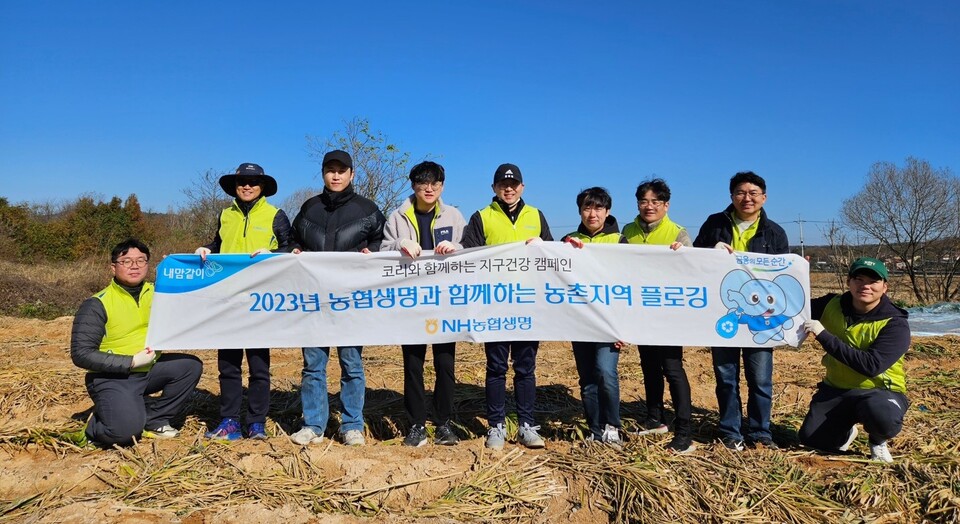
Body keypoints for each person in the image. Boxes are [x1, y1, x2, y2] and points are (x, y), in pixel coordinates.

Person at [289, 149, 386, 447]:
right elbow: (293, 239)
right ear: (323, 174)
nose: (336, 175)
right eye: (330, 170)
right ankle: (314, 424)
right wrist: (293, 250)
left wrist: (374, 253)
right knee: (313, 364)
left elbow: (382, 241)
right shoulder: (309, 208)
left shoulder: (367, 209)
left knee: (352, 364)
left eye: (341, 171)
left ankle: (352, 425)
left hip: (350, 299)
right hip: (313, 298)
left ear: (352, 174)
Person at [70, 239, 203, 446]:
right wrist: (130, 362)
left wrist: (186, 264)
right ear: (113, 267)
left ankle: (153, 419)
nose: (135, 266)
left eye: (141, 260)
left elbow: (195, 292)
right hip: (112, 377)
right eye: (126, 261)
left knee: (189, 366)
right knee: (124, 435)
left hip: (149, 370)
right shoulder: (97, 303)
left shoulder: (158, 292)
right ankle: (94, 427)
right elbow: (81, 353)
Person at [194, 163, 292, 440]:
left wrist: (272, 252)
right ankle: (229, 421)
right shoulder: (225, 214)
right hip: (227, 300)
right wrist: (206, 249)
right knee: (228, 364)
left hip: (260, 300)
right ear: (235, 187)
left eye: (253, 182)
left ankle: (256, 422)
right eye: (242, 182)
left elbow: (291, 248)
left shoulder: (276, 215)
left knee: (259, 366)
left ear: (262, 187)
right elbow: (219, 244)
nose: (247, 186)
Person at [693, 171, 788, 451]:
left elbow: (783, 275)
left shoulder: (775, 233)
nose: (747, 198)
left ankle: (760, 432)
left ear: (764, 198)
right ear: (731, 196)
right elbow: (695, 260)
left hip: (761, 318)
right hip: (724, 313)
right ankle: (730, 431)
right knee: (726, 376)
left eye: (753, 193)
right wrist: (712, 250)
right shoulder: (714, 224)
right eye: (740, 193)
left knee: (760, 379)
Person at [461, 163, 553, 450]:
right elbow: (470, 256)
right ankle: (496, 426)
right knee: (496, 367)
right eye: (503, 184)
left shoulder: (536, 216)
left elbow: (553, 258)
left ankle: (527, 424)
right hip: (494, 305)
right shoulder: (481, 217)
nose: (509, 189)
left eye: (513, 185)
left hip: (527, 304)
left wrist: (545, 246)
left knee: (526, 368)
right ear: (494, 189)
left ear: (522, 187)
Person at [382, 161, 466, 447]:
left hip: (445, 303)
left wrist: (457, 248)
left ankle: (443, 423)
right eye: (422, 183)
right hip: (411, 304)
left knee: (445, 364)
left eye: (435, 183)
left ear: (442, 186)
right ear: (413, 185)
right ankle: (416, 424)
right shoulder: (397, 217)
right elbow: (382, 251)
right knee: (413, 364)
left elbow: (471, 251)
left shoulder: (454, 216)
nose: (429, 188)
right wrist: (400, 244)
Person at [798, 257, 909, 463]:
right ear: (849, 281)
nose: (865, 286)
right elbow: (792, 306)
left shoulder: (895, 323)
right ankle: (846, 432)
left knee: (883, 418)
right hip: (836, 390)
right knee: (811, 440)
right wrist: (795, 270)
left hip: (879, 392)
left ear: (884, 287)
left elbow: (871, 366)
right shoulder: (831, 304)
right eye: (858, 278)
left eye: (873, 281)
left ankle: (878, 441)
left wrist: (823, 335)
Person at [622, 179, 695, 454]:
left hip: (668, 315)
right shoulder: (627, 231)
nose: (649, 206)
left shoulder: (678, 233)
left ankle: (684, 430)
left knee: (672, 369)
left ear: (666, 205)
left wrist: (683, 255)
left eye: (655, 202)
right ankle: (655, 419)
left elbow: (692, 271)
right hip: (641, 311)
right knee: (648, 366)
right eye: (643, 201)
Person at [561, 187, 626, 448]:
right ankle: (594, 428)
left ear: (607, 211)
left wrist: (623, 327)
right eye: (587, 208)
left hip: (609, 322)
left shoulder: (620, 241)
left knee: (606, 372)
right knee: (587, 377)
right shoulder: (567, 240)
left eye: (598, 208)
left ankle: (613, 425)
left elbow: (628, 286)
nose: (592, 213)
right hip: (580, 321)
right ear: (580, 211)